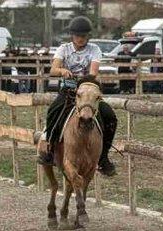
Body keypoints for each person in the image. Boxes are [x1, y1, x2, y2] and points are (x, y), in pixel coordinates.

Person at [37, 16, 118, 174]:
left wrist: (85, 81)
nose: (80, 39)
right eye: (77, 36)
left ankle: (104, 156)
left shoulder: (94, 49)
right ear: (72, 36)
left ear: (88, 36)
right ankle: (50, 149)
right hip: (68, 91)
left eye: (83, 36)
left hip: (87, 93)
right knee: (53, 111)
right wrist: (62, 70)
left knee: (110, 116)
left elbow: (93, 72)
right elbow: (53, 69)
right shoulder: (64, 48)